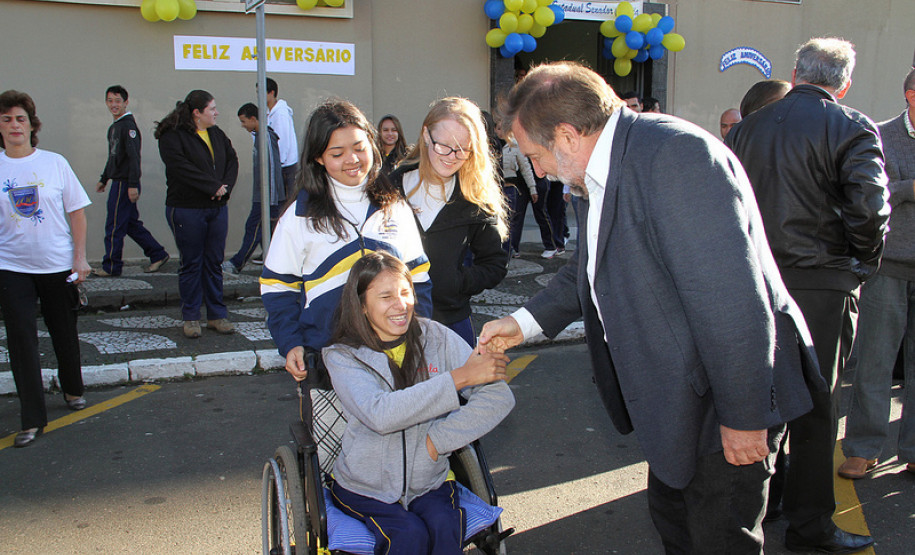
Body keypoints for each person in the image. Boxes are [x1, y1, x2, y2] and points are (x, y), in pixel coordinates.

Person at [480, 61, 823, 553]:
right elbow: (589, 267)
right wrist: (521, 323)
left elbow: (733, 304)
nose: (538, 170)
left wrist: (746, 417)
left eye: (534, 155)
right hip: (678, 406)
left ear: (568, 135)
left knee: (719, 540)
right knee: (677, 529)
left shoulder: (676, 157)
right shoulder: (596, 167)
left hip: (720, 406)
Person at [726, 38, 889, 554]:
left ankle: (760, 507)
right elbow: (870, 207)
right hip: (821, 282)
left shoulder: (746, 128)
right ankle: (810, 524)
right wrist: (861, 264)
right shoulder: (851, 124)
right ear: (842, 83)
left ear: (796, 74)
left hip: (758, 278)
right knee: (818, 408)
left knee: (761, 396)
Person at [323, 251, 515, 555]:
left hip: (430, 480)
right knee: (409, 535)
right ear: (361, 305)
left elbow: (499, 396)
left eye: (405, 292)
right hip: (365, 486)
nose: (401, 305)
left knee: (444, 527)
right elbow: (381, 413)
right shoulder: (342, 356)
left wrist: (438, 441)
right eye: (385, 296)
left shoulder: (436, 337)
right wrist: (458, 378)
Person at [261, 99, 432, 383]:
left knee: (400, 424)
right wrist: (290, 342)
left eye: (359, 148)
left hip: (394, 356)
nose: (352, 160)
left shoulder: (395, 207)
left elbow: (419, 278)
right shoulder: (299, 215)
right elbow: (278, 286)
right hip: (328, 358)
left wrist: (421, 333)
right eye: (337, 153)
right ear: (318, 157)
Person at [0, 90, 92, 447]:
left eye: (20, 118)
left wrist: (79, 257)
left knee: (63, 332)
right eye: (6, 119)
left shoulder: (54, 163)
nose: (14, 125)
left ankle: (72, 388)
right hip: (11, 267)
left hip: (56, 264)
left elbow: (77, 212)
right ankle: (31, 419)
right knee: (21, 341)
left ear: (32, 125)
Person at [839, 66, 915, 480]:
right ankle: (863, 447)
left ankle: (913, 449)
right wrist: (907, 188)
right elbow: (871, 191)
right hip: (889, 265)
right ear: (911, 96)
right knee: (874, 361)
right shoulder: (880, 135)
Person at [390, 97, 509, 346]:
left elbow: (495, 264)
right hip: (392, 323)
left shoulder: (474, 197)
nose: (453, 157)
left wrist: (456, 282)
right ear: (425, 135)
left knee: (457, 386)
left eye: (463, 149)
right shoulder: (390, 188)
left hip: (451, 323)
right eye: (443, 146)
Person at [155, 90, 239, 339]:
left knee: (214, 262)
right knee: (192, 263)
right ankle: (191, 317)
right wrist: (210, 186)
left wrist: (223, 189)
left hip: (216, 208)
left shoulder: (217, 134)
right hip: (186, 209)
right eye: (212, 109)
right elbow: (181, 168)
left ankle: (216, 315)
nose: (216, 113)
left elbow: (232, 161)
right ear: (196, 113)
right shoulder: (172, 137)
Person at [92, 85, 169, 277]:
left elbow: (134, 157)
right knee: (129, 224)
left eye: (118, 101)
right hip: (118, 181)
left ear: (126, 102)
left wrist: (133, 184)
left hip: (125, 183)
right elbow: (114, 157)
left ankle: (111, 266)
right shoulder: (115, 127)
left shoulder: (128, 127)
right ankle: (157, 253)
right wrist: (104, 178)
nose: (113, 105)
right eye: (110, 101)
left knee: (114, 225)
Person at [222, 103, 285, 275]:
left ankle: (237, 263)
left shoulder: (265, 136)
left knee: (254, 228)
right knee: (268, 234)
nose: (243, 126)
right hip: (265, 196)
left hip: (266, 197)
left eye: (243, 121)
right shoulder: (260, 136)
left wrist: (269, 200)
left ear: (253, 119)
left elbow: (272, 167)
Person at [501, 134, 554, 258]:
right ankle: (513, 247)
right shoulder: (507, 145)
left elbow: (526, 167)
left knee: (541, 214)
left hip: (537, 181)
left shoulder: (526, 141)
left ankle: (551, 245)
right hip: (518, 184)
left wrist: (533, 188)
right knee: (516, 217)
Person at [265, 77, 299, 200]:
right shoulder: (270, 113)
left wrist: (278, 163)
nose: (259, 96)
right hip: (280, 166)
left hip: (285, 167)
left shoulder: (280, 114)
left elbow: (282, 141)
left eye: (261, 92)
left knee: (286, 203)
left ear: (271, 93)